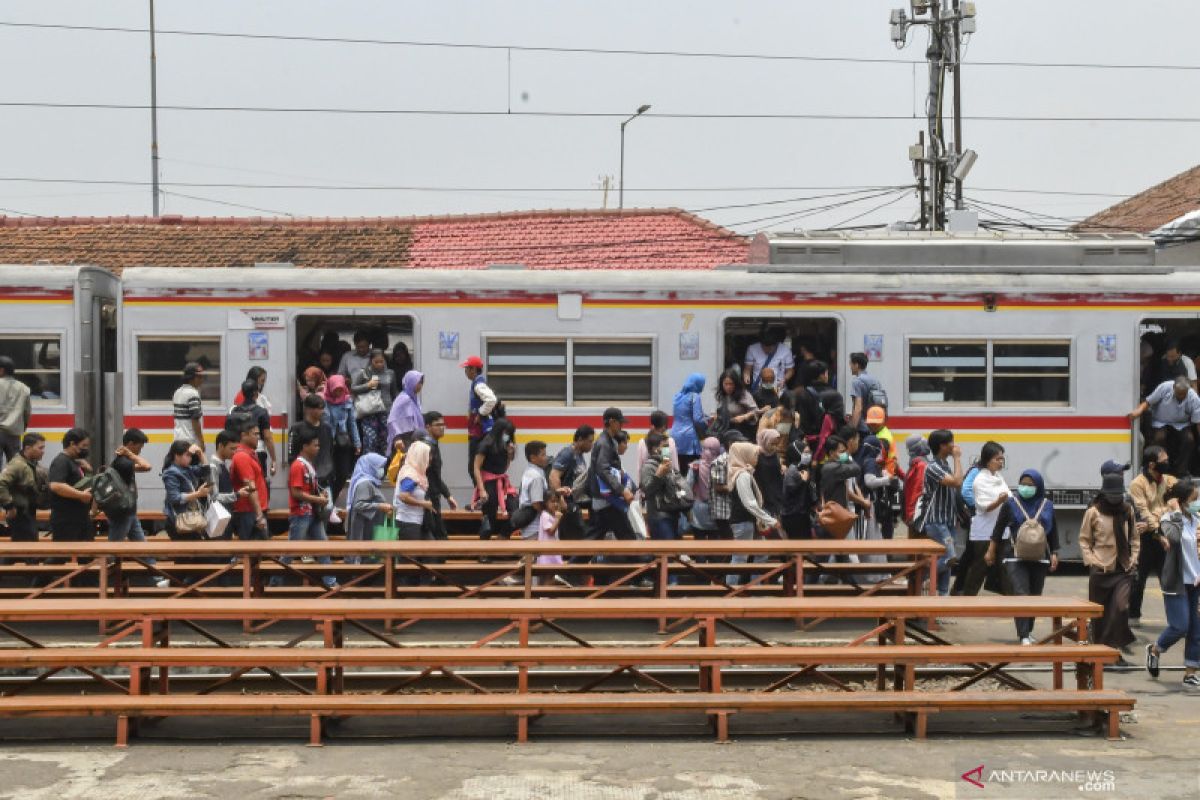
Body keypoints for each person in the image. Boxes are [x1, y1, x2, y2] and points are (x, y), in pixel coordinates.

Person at [986, 470, 1058, 643]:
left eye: (1030, 485)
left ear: (1038, 486)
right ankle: (1023, 635)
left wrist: (1055, 552)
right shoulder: (1010, 504)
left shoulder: (1047, 505)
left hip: (1040, 557)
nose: (1025, 487)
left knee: (1034, 595)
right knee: (1021, 593)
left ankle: (1028, 631)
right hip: (1014, 556)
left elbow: (1053, 531)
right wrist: (991, 550)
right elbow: (998, 529)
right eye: (1023, 483)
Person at [1145, 478, 1200, 688]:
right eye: (1194, 499)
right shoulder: (1169, 519)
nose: (1197, 502)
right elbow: (1174, 538)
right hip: (1177, 582)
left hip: (1196, 582)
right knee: (1180, 626)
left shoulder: (1197, 519)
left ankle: (1190, 672)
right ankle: (1155, 650)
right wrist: (1176, 512)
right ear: (1181, 500)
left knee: (1197, 630)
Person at [1079, 472, 1139, 656]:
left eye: (1118, 494)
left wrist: (1134, 558)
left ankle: (1113, 649)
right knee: (1100, 615)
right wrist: (1092, 561)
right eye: (1112, 494)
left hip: (1122, 569)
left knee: (1120, 608)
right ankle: (1102, 652)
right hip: (1101, 569)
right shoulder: (1093, 512)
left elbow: (1135, 538)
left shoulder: (1127, 510)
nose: (1115, 498)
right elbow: (1084, 540)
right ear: (1104, 494)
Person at [279, 430, 338, 590]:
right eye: (315, 445)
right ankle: (275, 582)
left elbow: (307, 489)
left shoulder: (307, 465)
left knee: (323, 547)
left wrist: (319, 494)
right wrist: (318, 499)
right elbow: (296, 492)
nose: (318, 448)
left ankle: (330, 581)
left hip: (311, 514)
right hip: (301, 514)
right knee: (291, 551)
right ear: (305, 446)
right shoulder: (298, 466)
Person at [1128, 446, 1176, 625]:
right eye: (1164, 461)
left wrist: (1153, 521)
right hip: (1146, 539)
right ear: (1151, 464)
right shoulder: (1138, 484)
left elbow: (1174, 502)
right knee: (1138, 579)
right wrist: (1157, 525)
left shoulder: (1168, 480)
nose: (1167, 463)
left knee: (1167, 580)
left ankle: (1174, 617)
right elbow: (1142, 510)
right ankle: (1133, 616)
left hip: (1160, 533)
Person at [915, 429, 964, 596]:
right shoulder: (933, 467)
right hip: (936, 521)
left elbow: (957, 481)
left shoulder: (945, 465)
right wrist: (957, 457)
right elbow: (957, 482)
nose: (954, 445)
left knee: (949, 560)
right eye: (950, 442)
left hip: (948, 520)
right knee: (950, 557)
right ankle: (920, 579)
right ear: (942, 446)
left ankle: (943, 596)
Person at [959, 442, 1010, 597]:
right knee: (979, 567)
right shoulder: (980, 479)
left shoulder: (998, 477)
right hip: (984, 531)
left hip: (1000, 529)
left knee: (1005, 565)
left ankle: (1012, 599)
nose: (1001, 462)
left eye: (1002, 459)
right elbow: (983, 506)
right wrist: (999, 501)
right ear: (988, 460)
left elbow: (1009, 497)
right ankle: (967, 598)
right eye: (997, 459)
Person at [726, 441, 779, 585]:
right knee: (740, 558)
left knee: (761, 553)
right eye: (755, 454)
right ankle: (730, 591)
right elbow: (750, 503)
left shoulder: (744, 472)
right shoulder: (742, 475)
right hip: (743, 522)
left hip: (748, 522)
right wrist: (771, 521)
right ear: (746, 455)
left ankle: (756, 587)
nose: (757, 457)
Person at [1128, 377, 1200, 476]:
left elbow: (1198, 421)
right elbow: (1148, 402)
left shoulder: (1193, 397)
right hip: (1160, 422)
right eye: (1179, 393)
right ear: (1174, 387)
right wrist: (1139, 410)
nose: (1181, 396)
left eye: (1184, 394)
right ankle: (1161, 470)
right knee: (1159, 438)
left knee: (1189, 439)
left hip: (1181, 424)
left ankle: (1180, 471)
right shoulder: (1165, 387)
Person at [588, 407, 638, 544]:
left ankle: (574, 564)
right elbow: (603, 469)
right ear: (611, 422)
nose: (621, 426)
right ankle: (642, 563)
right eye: (620, 423)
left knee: (593, 539)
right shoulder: (605, 443)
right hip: (608, 499)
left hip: (605, 500)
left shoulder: (607, 441)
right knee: (628, 538)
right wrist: (622, 489)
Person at [473, 418, 516, 544]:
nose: (507, 436)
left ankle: (503, 535)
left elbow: (504, 468)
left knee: (515, 512)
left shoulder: (505, 445)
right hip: (488, 482)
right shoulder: (486, 444)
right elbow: (476, 467)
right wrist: (481, 490)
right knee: (489, 518)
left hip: (502, 482)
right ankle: (483, 552)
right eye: (506, 433)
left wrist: (509, 454)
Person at [0, 432, 47, 547]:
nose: (43, 451)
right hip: (20, 515)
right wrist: (9, 506)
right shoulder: (17, 464)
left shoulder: (32, 464)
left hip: (29, 512)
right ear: (28, 448)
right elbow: (1, 483)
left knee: (21, 551)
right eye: (40, 448)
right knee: (29, 552)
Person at [417, 411, 459, 542]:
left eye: (443, 424)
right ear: (427, 427)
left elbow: (434, 476)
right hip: (428, 500)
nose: (442, 427)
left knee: (437, 536)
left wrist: (447, 494)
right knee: (438, 537)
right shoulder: (428, 448)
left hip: (432, 498)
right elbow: (423, 475)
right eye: (438, 424)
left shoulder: (432, 445)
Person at [48, 428, 94, 545]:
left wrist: (88, 471)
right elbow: (56, 485)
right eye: (83, 445)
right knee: (61, 556)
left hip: (80, 517)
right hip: (66, 518)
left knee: (87, 554)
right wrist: (81, 495)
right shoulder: (61, 461)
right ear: (72, 443)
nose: (86, 449)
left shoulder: (74, 461)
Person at [549, 425, 594, 542]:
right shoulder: (568, 453)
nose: (591, 445)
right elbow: (554, 476)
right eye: (589, 441)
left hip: (575, 500)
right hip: (567, 502)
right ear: (579, 440)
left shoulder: (579, 455)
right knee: (576, 534)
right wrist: (561, 499)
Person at [161, 439, 212, 542]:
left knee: (193, 554)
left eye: (191, 456)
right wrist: (198, 494)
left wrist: (200, 453)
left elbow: (206, 470)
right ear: (177, 455)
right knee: (186, 556)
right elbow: (175, 498)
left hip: (189, 518)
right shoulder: (171, 473)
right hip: (179, 520)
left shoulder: (187, 468)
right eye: (187, 455)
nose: (190, 459)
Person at [107, 429, 152, 544]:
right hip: (123, 512)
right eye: (139, 447)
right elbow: (147, 466)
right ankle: (106, 561)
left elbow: (142, 467)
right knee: (114, 547)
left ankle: (150, 562)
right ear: (131, 444)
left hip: (129, 510)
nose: (140, 451)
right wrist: (130, 454)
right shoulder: (123, 463)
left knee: (141, 546)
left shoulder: (125, 463)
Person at [344, 453, 391, 562]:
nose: (382, 470)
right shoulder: (364, 484)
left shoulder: (370, 482)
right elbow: (358, 505)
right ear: (371, 466)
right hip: (364, 532)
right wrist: (380, 506)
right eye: (379, 467)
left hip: (368, 532)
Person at [227, 379, 277, 482]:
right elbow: (267, 437)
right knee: (258, 482)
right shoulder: (262, 412)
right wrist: (274, 459)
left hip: (238, 452)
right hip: (257, 452)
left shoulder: (234, 411)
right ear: (256, 393)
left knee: (241, 483)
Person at [461, 355, 500, 483]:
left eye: (467, 369)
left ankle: (481, 496)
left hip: (481, 432)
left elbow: (491, 400)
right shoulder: (476, 384)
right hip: (478, 431)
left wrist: (480, 413)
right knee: (476, 467)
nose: (465, 372)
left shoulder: (479, 385)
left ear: (473, 369)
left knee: (474, 467)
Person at [229, 421, 270, 541]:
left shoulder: (249, 454)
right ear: (243, 435)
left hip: (252, 511)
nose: (258, 438)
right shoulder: (242, 456)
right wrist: (259, 516)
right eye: (254, 434)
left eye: (258, 434)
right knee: (250, 551)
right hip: (248, 511)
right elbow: (250, 487)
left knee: (256, 552)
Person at [351, 349, 396, 456]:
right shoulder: (364, 373)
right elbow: (353, 388)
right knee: (371, 440)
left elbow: (394, 392)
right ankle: (369, 466)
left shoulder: (390, 373)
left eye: (382, 361)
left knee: (385, 440)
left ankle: (385, 467)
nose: (380, 364)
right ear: (371, 361)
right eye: (376, 362)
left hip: (386, 411)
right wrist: (368, 385)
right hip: (369, 412)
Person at [322, 375, 360, 501]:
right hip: (327, 442)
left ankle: (331, 501)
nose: (338, 392)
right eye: (335, 390)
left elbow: (352, 423)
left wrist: (357, 443)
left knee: (343, 474)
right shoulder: (323, 401)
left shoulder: (347, 401)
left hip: (343, 441)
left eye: (340, 389)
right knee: (328, 473)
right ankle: (328, 504)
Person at [394, 440, 435, 551]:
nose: (430, 458)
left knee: (432, 554)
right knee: (410, 560)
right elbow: (403, 496)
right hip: (408, 522)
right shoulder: (410, 474)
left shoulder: (417, 473)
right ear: (420, 455)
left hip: (418, 521)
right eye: (428, 454)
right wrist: (424, 504)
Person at [640, 432, 681, 542]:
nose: (668, 450)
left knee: (673, 552)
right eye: (665, 447)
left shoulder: (668, 465)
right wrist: (658, 476)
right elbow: (646, 491)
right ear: (655, 449)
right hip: (659, 516)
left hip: (673, 514)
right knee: (666, 553)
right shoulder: (648, 467)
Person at [288, 394, 335, 489]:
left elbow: (330, 451)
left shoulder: (327, 428)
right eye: (319, 408)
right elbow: (292, 454)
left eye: (323, 408)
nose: (322, 411)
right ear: (308, 409)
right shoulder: (297, 428)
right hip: (305, 479)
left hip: (325, 478)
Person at [687, 437, 723, 545]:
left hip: (698, 509)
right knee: (715, 545)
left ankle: (700, 561)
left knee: (699, 544)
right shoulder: (722, 465)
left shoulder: (695, 466)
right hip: (717, 509)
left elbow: (688, 484)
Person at [670, 373, 707, 474]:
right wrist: (707, 423)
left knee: (678, 469)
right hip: (689, 438)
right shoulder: (695, 396)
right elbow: (698, 419)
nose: (703, 387)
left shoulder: (677, 396)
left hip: (675, 436)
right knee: (690, 471)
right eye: (702, 385)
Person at [780, 439, 816, 539]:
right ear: (797, 452)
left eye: (809, 452)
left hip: (802, 514)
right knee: (798, 548)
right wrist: (803, 481)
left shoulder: (803, 468)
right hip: (793, 515)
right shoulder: (793, 469)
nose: (808, 455)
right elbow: (791, 490)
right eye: (805, 453)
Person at [0, 356, 31, 468]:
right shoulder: (24, 388)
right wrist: (22, 427)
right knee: (14, 468)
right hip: (14, 433)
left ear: (1, 370)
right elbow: (27, 412)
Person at [713, 368, 760, 442]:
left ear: (736, 384)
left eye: (731, 384)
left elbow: (756, 411)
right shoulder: (723, 395)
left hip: (742, 432)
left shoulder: (743, 395)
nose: (728, 387)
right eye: (726, 384)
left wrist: (744, 417)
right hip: (726, 431)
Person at [536, 491, 571, 588]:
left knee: (552, 575)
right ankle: (543, 596)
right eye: (552, 502)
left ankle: (545, 595)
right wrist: (557, 519)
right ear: (546, 503)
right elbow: (550, 531)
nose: (555, 504)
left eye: (557, 501)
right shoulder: (545, 515)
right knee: (548, 576)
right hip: (547, 553)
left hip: (553, 551)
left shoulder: (551, 515)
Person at [743, 327, 795, 393]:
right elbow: (747, 368)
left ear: (776, 344)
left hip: (778, 389)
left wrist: (784, 379)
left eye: (770, 349)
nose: (767, 351)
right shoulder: (752, 349)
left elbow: (790, 370)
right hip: (759, 389)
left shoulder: (786, 350)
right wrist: (746, 376)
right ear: (761, 344)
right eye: (764, 348)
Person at [517, 441, 551, 540]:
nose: (546, 457)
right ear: (533, 458)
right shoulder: (536, 476)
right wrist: (547, 516)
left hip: (529, 526)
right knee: (533, 554)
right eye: (543, 455)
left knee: (530, 554)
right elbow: (536, 503)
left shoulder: (528, 471)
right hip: (535, 527)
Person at [848, 352, 886, 434]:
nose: (850, 367)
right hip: (874, 425)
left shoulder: (857, 381)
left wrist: (852, 430)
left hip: (862, 427)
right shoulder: (875, 381)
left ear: (856, 365)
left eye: (851, 364)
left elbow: (858, 408)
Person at [387, 370, 425, 451]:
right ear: (411, 382)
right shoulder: (403, 398)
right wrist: (397, 437)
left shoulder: (415, 399)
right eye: (418, 382)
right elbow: (392, 420)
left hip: (413, 438)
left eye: (422, 383)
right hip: (404, 440)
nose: (421, 385)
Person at [636, 410, 680, 479]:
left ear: (652, 425)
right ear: (664, 426)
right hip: (665, 484)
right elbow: (674, 466)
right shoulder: (668, 441)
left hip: (648, 483)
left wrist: (640, 486)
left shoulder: (642, 442)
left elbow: (640, 468)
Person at [754, 428, 785, 522]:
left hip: (777, 492)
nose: (775, 447)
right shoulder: (757, 455)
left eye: (776, 444)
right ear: (765, 440)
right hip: (763, 492)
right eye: (772, 444)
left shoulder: (774, 455)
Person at [172, 362, 206, 449]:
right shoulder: (193, 394)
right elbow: (195, 420)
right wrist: (201, 441)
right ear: (191, 378)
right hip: (190, 441)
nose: (202, 380)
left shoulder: (178, 392)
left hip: (177, 439)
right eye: (199, 377)